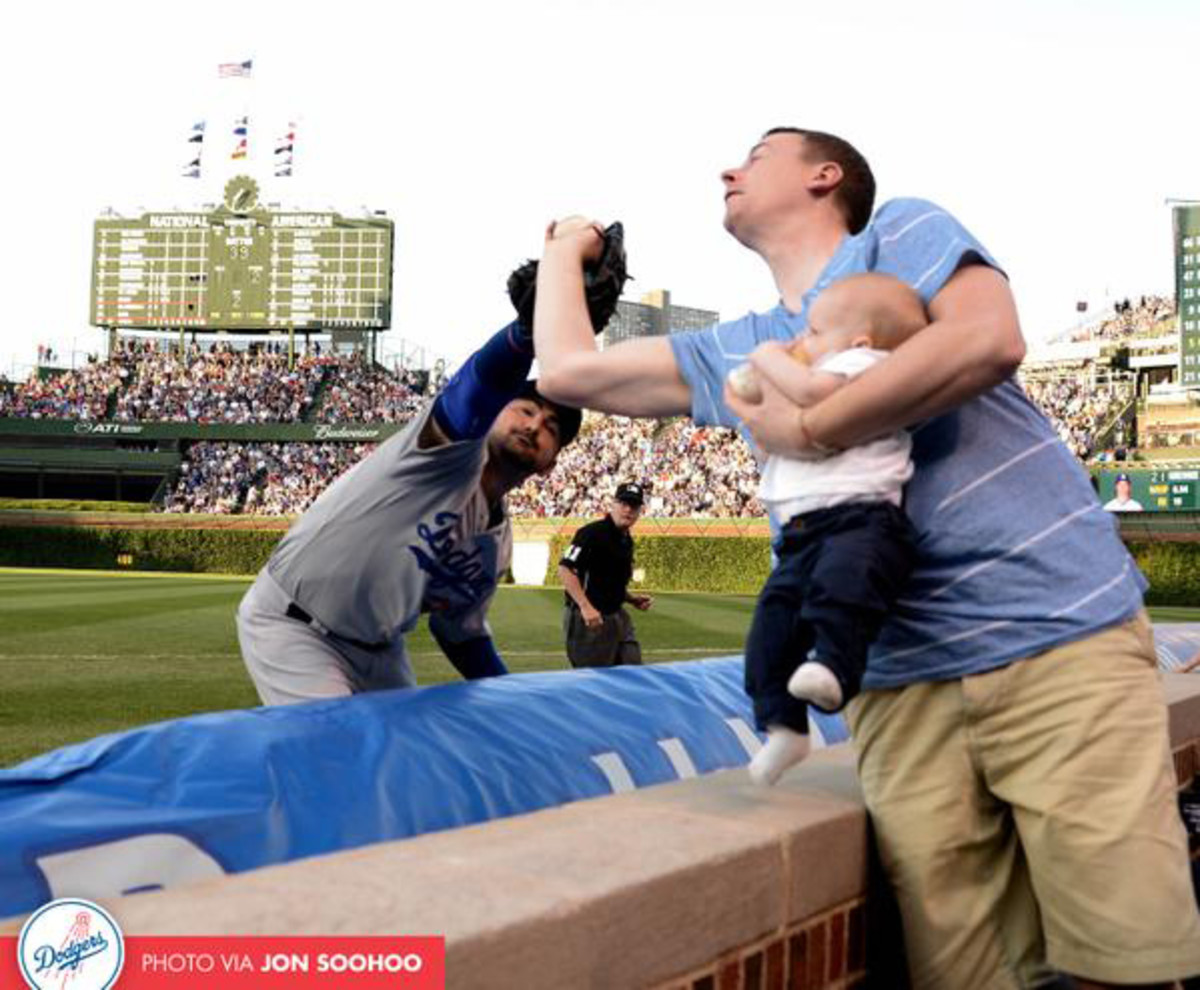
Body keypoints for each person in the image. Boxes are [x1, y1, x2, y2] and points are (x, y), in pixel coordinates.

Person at [530, 128, 1200, 988]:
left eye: (756, 154)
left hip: (1056, 639)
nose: (728, 169)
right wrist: (562, 248)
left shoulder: (899, 236)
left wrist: (809, 424)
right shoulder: (740, 344)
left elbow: (985, 340)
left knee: (1126, 966)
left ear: (825, 174)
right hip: (896, 684)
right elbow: (567, 369)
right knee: (965, 975)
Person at [236, 316, 581, 705]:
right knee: (339, 750)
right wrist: (525, 333)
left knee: (411, 758)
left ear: (550, 464)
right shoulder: (442, 456)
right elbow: (473, 390)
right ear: (495, 412)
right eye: (525, 409)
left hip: (381, 650)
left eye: (552, 427)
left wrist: (516, 697)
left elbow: (461, 634)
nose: (535, 425)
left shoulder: (495, 548)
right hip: (295, 625)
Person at [735, 274, 928, 786]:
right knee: (771, 629)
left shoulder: (866, 365)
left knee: (841, 594)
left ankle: (836, 669)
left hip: (861, 518)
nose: (804, 341)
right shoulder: (827, 368)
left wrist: (768, 357)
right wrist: (758, 400)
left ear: (859, 341)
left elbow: (812, 390)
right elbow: (769, 445)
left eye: (816, 331)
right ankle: (784, 726)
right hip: (802, 531)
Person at [558, 481, 653, 667]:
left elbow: (608, 581)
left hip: (617, 616)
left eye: (633, 506)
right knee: (595, 683)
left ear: (640, 511)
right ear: (613, 505)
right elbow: (565, 569)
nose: (628, 510)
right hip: (590, 620)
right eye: (624, 504)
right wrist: (586, 607)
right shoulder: (591, 533)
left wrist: (631, 599)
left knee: (633, 674)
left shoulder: (626, 540)